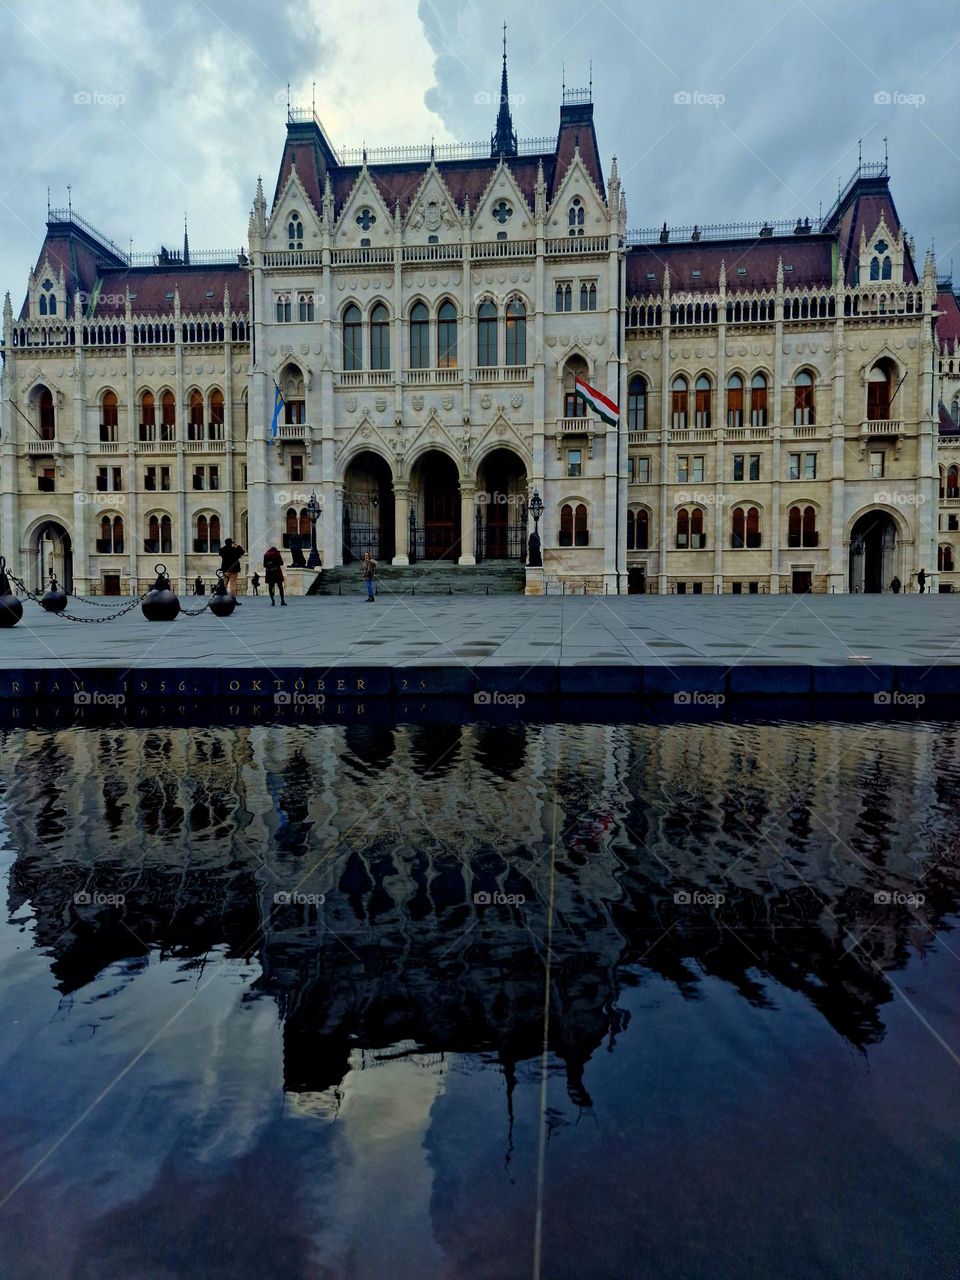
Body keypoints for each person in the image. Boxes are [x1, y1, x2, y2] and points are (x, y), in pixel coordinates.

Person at [219, 538, 245, 602]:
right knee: (233, 585)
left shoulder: (222, 550)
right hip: (234, 570)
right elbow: (242, 552)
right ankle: (233, 600)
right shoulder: (234, 550)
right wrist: (236, 544)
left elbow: (220, 552)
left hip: (225, 570)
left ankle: (221, 599)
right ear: (231, 543)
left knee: (224, 585)